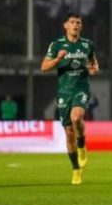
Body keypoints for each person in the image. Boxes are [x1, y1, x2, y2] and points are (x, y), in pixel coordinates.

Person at [41, 13, 99, 185]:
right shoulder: (57, 44)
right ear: (65, 26)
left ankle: (82, 145)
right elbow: (44, 67)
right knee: (68, 133)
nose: (75, 25)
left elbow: (94, 64)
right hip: (64, 92)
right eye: (72, 22)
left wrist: (93, 69)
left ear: (81, 27)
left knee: (77, 117)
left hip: (81, 88)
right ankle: (76, 169)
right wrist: (58, 58)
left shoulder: (87, 45)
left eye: (78, 23)